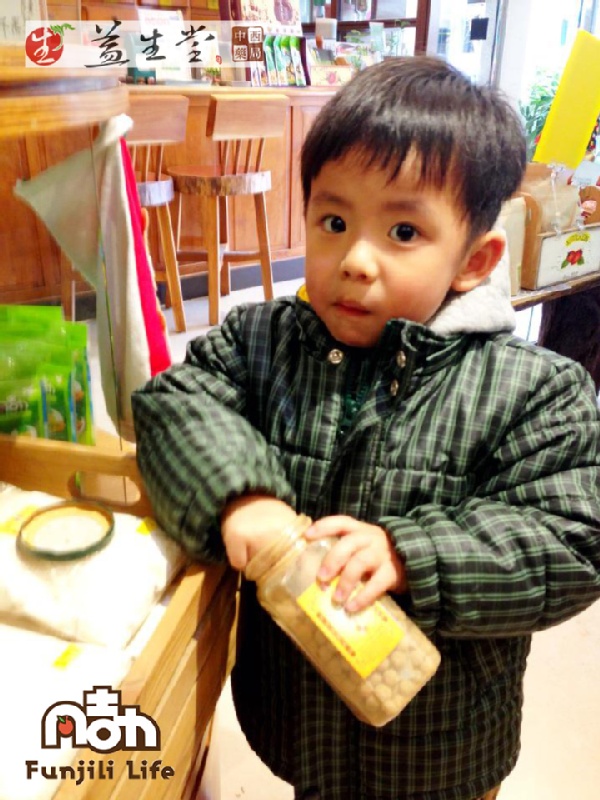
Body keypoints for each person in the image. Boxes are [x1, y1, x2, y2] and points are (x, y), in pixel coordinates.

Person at [132, 57, 600, 800]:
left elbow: (574, 538)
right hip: (300, 720)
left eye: (403, 231)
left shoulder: (536, 390)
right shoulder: (264, 342)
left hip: (442, 749)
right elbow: (176, 402)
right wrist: (241, 496)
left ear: (474, 259)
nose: (354, 260)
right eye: (334, 222)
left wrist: (414, 554)